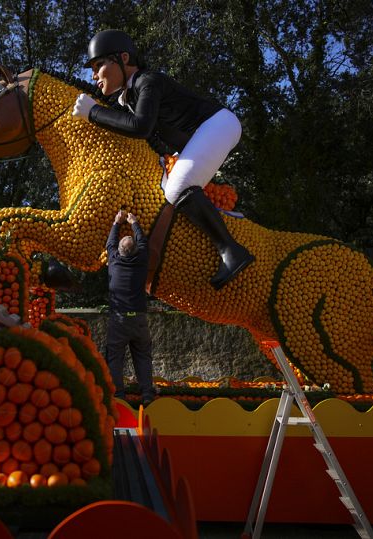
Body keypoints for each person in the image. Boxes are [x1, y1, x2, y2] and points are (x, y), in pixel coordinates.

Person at [72, 29, 254, 290]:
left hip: (218, 124)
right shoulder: (131, 96)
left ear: (124, 58)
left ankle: (231, 251)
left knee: (178, 187)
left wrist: (93, 113)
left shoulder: (148, 81)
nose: (94, 75)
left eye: (99, 64)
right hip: (197, 138)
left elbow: (140, 126)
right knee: (163, 187)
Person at [105, 209, 155, 405]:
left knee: (115, 357)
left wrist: (116, 223)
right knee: (142, 355)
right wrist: (134, 222)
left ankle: (118, 396)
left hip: (119, 319)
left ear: (118, 251)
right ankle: (147, 393)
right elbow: (143, 243)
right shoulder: (141, 260)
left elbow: (110, 243)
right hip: (139, 318)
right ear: (135, 251)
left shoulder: (114, 261)